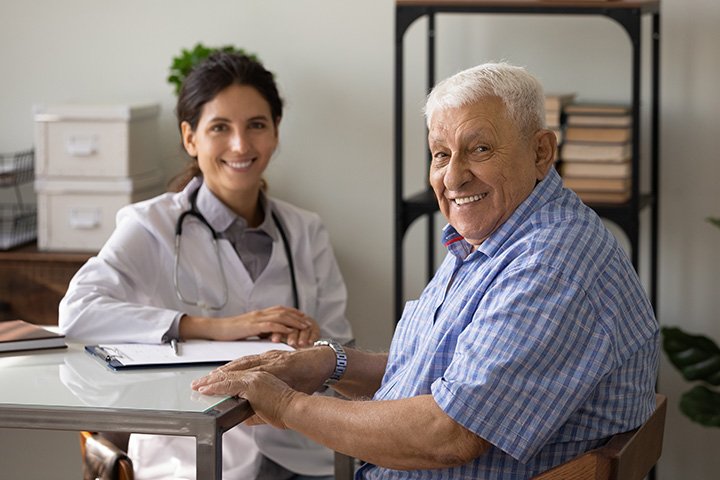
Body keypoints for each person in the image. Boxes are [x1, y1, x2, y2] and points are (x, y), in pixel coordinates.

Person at [191, 62, 660, 479]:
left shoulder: (550, 262)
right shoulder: (494, 239)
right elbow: (440, 377)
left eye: (479, 149)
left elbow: (448, 432)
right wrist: (332, 363)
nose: (453, 177)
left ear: (541, 153)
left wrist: (287, 406)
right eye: (440, 153)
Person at [59, 52, 353, 480]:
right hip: (185, 456)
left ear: (275, 133)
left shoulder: (305, 231)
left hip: (298, 452)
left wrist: (314, 350)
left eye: (256, 125)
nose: (240, 145)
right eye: (220, 128)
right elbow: (77, 312)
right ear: (190, 138)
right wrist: (215, 326)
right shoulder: (151, 226)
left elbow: (341, 353)